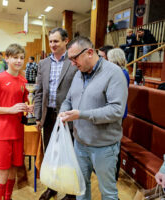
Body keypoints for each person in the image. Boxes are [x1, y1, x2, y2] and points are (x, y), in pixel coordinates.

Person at [59, 36, 128, 200]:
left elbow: (116, 110)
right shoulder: (78, 73)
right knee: (81, 188)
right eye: (70, 59)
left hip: (104, 146)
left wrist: (81, 115)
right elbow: (68, 100)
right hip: (80, 143)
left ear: (89, 52)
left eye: (74, 58)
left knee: (108, 193)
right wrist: (63, 112)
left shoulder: (114, 73)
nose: (72, 63)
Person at [0, 43, 32, 200]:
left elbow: (24, 104)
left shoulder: (24, 82)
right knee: (3, 170)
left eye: (21, 58)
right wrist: (9, 110)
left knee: (13, 169)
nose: (18, 61)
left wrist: (30, 108)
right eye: (15, 57)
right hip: (2, 133)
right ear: (7, 58)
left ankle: (8, 197)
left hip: (17, 132)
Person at [34, 27, 77, 200]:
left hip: (68, 117)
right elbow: (39, 92)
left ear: (66, 41)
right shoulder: (43, 64)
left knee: (69, 154)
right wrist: (38, 117)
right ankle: (52, 187)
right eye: (50, 41)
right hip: (49, 116)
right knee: (51, 153)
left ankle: (70, 192)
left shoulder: (74, 62)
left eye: (56, 41)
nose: (52, 44)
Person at [107, 48, 130, 181]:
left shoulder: (121, 73)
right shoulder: (122, 72)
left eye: (109, 59)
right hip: (118, 111)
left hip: (118, 113)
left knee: (115, 143)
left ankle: (113, 174)